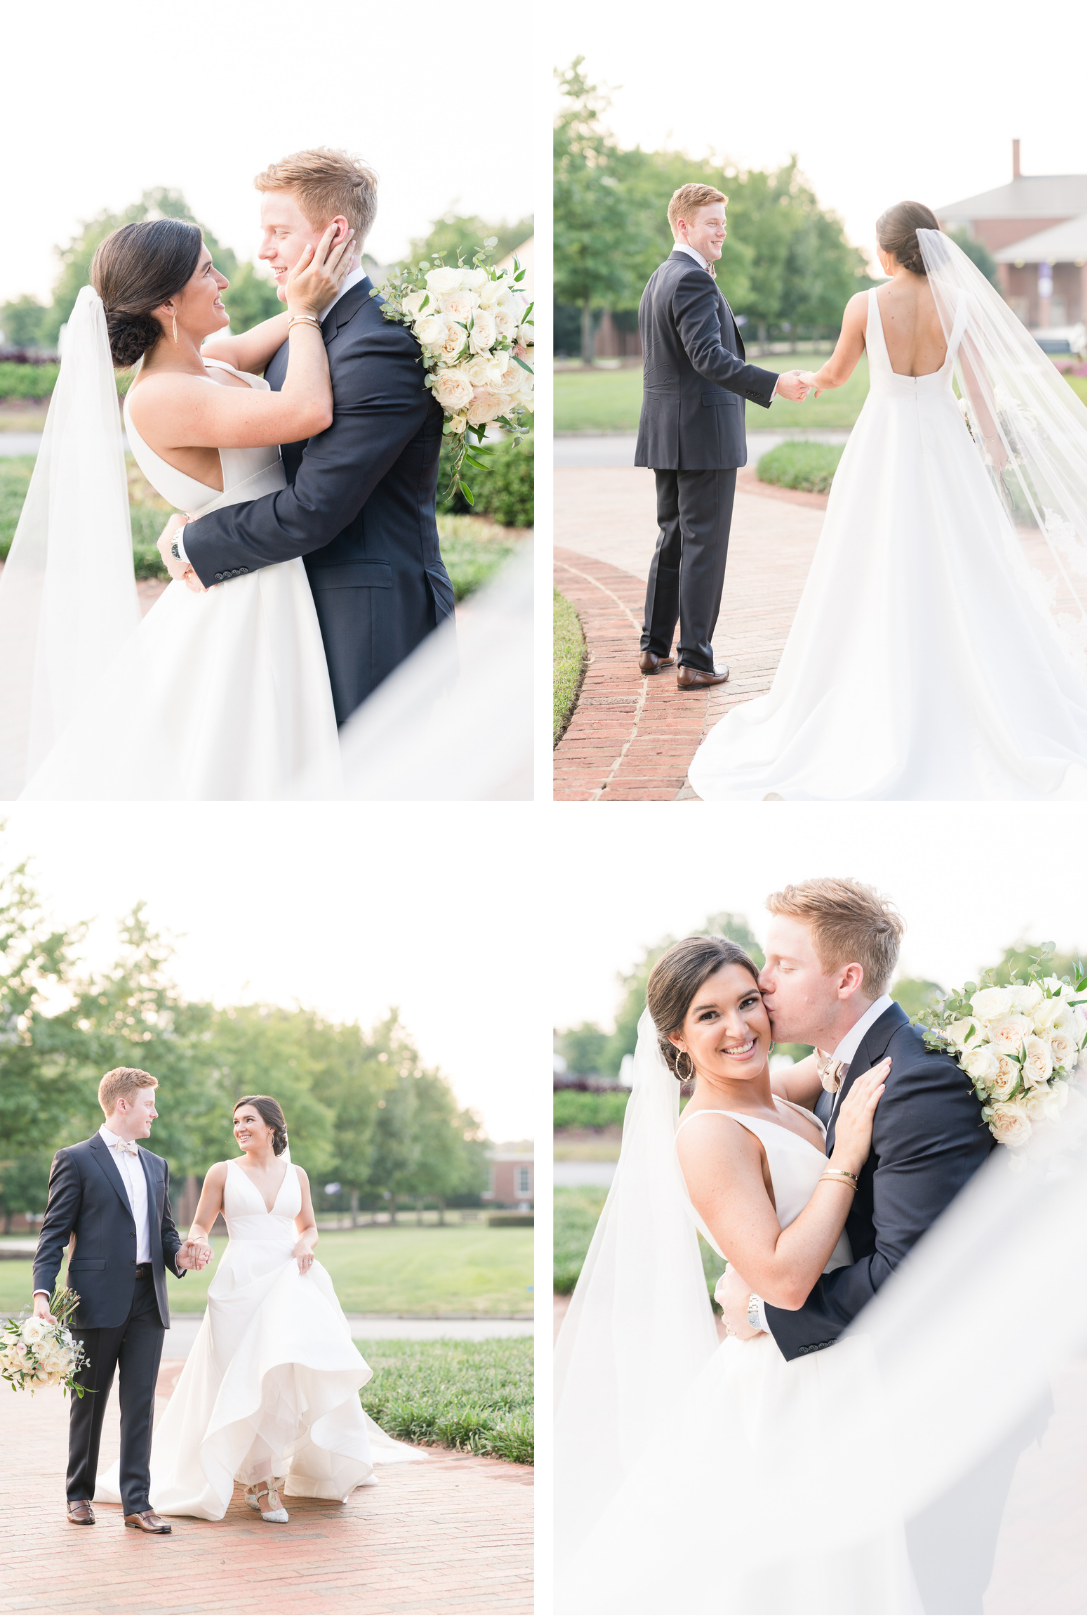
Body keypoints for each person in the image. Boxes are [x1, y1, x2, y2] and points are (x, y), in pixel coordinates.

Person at [554, 880, 1064, 1613]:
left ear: (844, 978)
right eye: (710, 1014)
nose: (748, 1009)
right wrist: (842, 1158)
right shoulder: (707, 1133)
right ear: (675, 1039)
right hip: (797, 1381)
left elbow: (843, 1074)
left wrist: (756, 1303)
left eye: (760, 986)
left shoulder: (805, 1088)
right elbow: (787, 1277)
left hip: (856, 1365)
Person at [687, 203, 1086, 800]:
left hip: (886, 444)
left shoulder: (865, 305)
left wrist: (798, 382)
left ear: (886, 251)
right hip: (947, 444)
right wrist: (998, 455)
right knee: (967, 558)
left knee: (875, 556)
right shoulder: (963, 305)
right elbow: (977, 392)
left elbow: (838, 374)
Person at [159, 148, 456, 728]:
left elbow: (316, 508)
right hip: (302, 601)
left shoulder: (377, 343)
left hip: (368, 615)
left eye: (278, 232)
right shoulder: (313, 325)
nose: (264, 251)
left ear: (334, 233)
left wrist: (195, 541)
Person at [95, 1095, 421, 1523]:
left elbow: (308, 1226)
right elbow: (200, 1224)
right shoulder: (222, 1172)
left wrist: (305, 1243)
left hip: (288, 1281)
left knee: (278, 1377)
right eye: (235, 1121)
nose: (239, 1127)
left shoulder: (297, 1175)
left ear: (272, 1127)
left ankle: (265, 1483)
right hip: (239, 1285)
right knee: (244, 1379)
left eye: (248, 1120)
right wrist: (199, 1242)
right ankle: (257, 1479)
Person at [634, 183, 810, 691]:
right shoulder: (692, 280)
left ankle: (654, 648)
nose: (722, 231)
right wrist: (773, 383)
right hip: (702, 435)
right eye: (712, 222)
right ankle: (696, 659)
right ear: (683, 225)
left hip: (667, 433)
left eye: (723, 223)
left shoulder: (659, 278)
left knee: (673, 539)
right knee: (703, 545)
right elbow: (707, 357)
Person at [31, 1068, 206, 1535]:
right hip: (95, 1300)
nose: (155, 1112)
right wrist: (42, 1293)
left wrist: (181, 1253)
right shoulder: (75, 1159)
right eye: (149, 1103)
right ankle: (78, 1494)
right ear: (123, 1104)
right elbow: (53, 1234)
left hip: (149, 1297)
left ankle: (137, 1503)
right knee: (88, 1401)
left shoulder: (156, 1165)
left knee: (140, 1403)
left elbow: (165, 1232)